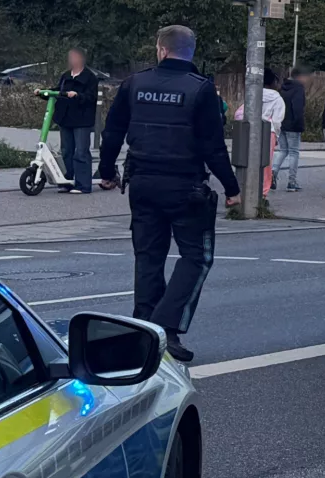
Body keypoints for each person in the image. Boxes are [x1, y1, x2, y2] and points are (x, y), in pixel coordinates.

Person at [97, 25, 241, 363]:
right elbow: (212, 146)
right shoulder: (201, 89)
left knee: (148, 256)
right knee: (197, 257)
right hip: (185, 186)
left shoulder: (134, 84)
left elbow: (113, 130)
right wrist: (232, 187)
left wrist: (106, 171)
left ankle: (145, 327)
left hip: (142, 184)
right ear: (191, 52)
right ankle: (166, 325)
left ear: (161, 49)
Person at [47, 47, 98, 194]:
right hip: (65, 118)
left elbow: (91, 97)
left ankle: (83, 185)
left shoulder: (90, 77)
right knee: (66, 151)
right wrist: (45, 92)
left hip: (82, 119)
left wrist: (77, 95)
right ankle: (67, 181)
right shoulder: (66, 76)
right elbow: (59, 90)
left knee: (81, 152)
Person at [272, 66, 311, 192]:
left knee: (283, 150)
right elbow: (298, 108)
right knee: (294, 152)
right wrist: (299, 124)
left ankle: (273, 171)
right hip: (293, 125)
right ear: (300, 76)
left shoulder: (282, 87)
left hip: (281, 123)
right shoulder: (298, 88)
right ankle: (291, 182)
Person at [260, 69, 286, 200]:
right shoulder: (277, 98)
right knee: (266, 162)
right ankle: (263, 191)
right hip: (269, 131)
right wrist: (277, 135)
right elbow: (277, 120)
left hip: (252, 130)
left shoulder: (253, 93)